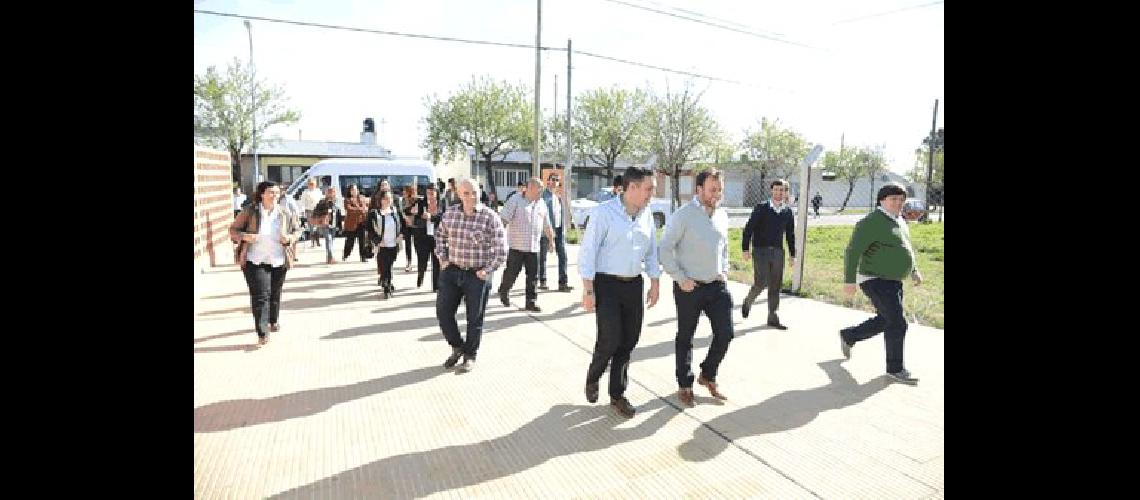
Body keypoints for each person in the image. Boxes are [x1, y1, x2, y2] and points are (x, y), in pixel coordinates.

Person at [578, 166, 661, 418]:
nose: (651, 195)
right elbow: (588, 251)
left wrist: (655, 281)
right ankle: (593, 377)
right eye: (648, 189)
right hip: (607, 284)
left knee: (629, 341)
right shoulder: (604, 213)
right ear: (632, 187)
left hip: (633, 284)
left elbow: (651, 251)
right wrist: (588, 289)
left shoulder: (646, 214)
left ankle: (617, 394)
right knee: (610, 339)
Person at [657, 169, 733, 406]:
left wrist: (725, 270)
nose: (717, 194)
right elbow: (664, 249)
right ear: (698, 189)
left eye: (719, 189)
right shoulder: (683, 216)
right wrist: (680, 278)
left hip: (716, 286)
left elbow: (724, 246)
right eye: (712, 189)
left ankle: (707, 375)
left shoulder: (722, 215)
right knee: (686, 337)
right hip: (689, 287)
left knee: (726, 333)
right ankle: (685, 384)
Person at [840, 182, 923, 385]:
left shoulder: (899, 220)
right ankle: (895, 369)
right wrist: (849, 281)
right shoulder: (871, 222)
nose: (898, 203)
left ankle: (849, 335)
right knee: (897, 322)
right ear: (882, 200)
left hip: (893, 281)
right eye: (893, 199)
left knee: (886, 319)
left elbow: (905, 248)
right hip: (874, 279)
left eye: (901, 200)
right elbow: (852, 252)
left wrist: (913, 270)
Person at [434, 178, 507, 373]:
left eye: (474, 192)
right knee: (443, 312)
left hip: (478, 274)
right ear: (459, 194)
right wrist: (442, 257)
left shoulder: (490, 217)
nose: (471, 197)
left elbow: (501, 249)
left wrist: (488, 269)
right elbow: (440, 236)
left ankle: (470, 355)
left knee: (474, 319)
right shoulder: (450, 214)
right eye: (466, 193)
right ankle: (457, 346)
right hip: (452, 271)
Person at [229, 181, 303, 346]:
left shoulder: (284, 213)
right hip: (255, 260)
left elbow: (298, 230)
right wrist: (245, 237)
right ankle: (262, 332)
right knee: (261, 296)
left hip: (278, 259)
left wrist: (289, 238)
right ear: (262, 194)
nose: (274, 196)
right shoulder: (250, 211)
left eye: (277, 193)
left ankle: (273, 319)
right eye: (270, 192)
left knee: (274, 294)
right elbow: (233, 230)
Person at [740, 179, 796, 329]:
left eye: (782, 190)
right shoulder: (761, 208)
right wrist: (745, 249)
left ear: (786, 192)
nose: (779, 193)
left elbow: (790, 234)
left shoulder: (788, 212)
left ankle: (772, 316)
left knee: (775, 285)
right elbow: (748, 229)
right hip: (760, 250)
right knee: (761, 282)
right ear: (771, 191)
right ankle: (748, 301)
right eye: (776, 189)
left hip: (778, 252)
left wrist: (792, 255)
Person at [497, 178, 554, 313]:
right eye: (538, 189)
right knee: (512, 273)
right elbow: (503, 219)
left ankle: (531, 301)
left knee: (533, 276)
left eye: (541, 189)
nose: (541, 191)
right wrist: (498, 238)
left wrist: (551, 241)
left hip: (534, 247)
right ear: (529, 188)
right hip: (516, 246)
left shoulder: (541, 203)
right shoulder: (515, 200)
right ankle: (504, 290)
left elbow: (547, 225)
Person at [538, 175, 572, 292]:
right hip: (546, 231)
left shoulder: (557, 197)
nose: (554, 182)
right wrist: (547, 231)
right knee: (542, 257)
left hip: (558, 230)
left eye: (557, 180)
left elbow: (559, 215)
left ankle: (563, 282)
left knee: (563, 256)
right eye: (553, 179)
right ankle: (542, 280)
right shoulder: (543, 196)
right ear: (548, 181)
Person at [367, 190, 404, 298]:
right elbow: (369, 230)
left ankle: (386, 281)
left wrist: (401, 234)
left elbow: (401, 225)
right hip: (382, 245)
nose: (389, 201)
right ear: (381, 200)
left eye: (390, 198)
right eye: (386, 198)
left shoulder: (395, 211)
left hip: (393, 244)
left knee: (390, 265)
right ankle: (387, 288)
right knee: (385, 266)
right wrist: (377, 240)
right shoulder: (374, 213)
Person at [414, 184, 445, 291]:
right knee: (422, 260)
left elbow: (444, 218)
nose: (430, 195)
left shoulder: (442, 204)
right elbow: (415, 220)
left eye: (432, 193)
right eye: (428, 193)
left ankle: (435, 286)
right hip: (423, 236)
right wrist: (421, 217)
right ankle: (420, 276)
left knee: (436, 261)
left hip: (437, 236)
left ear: (436, 193)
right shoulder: (421, 203)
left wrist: (431, 217)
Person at [341, 184, 370, 262]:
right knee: (350, 241)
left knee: (362, 241)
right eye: (352, 190)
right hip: (351, 224)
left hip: (361, 222)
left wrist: (362, 209)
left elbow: (366, 208)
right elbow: (349, 209)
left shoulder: (362, 198)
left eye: (356, 190)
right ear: (349, 191)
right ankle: (345, 254)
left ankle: (363, 256)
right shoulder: (347, 200)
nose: (354, 191)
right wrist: (361, 210)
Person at [311, 187, 340, 264]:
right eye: (329, 192)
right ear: (326, 193)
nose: (331, 193)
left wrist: (339, 225)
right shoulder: (322, 202)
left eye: (332, 192)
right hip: (325, 224)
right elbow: (316, 211)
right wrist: (326, 207)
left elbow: (338, 213)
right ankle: (330, 258)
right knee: (328, 240)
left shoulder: (336, 201)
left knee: (331, 241)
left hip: (333, 224)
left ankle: (329, 257)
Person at [401, 185, 420, 272]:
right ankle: (409, 262)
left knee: (417, 244)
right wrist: (406, 216)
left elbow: (415, 211)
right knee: (407, 244)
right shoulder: (403, 201)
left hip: (415, 225)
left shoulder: (416, 200)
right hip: (406, 225)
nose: (403, 193)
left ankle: (420, 262)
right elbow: (402, 211)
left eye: (405, 192)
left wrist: (407, 212)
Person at [300, 178, 324, 248]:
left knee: (318, 227)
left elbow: (321, 200)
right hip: (309, 211)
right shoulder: (305, 192)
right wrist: (303, 211)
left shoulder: (318, 191)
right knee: (311, 227)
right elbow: (302, 202)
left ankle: (318, 241)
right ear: (308, 184)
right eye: (310, 184)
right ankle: (312, 242)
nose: (311, 185)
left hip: (318, 211)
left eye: (313, 184)